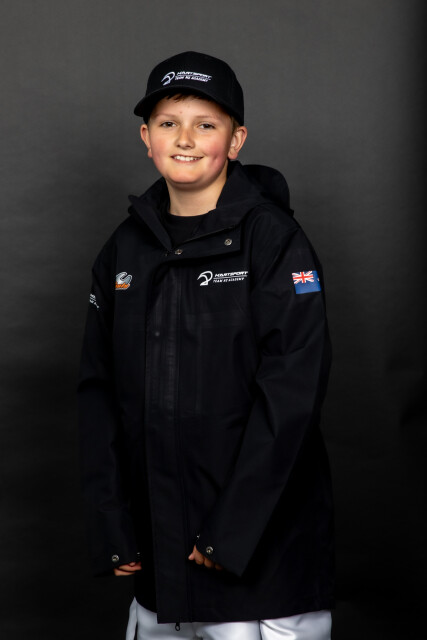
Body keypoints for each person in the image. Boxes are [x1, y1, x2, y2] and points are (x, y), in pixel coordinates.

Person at [78, 51, 335, 640]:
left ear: (236, 139)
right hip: (161, 567)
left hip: (262, 568)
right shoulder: (123, 251)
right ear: (146, 138)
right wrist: (110, 523)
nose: (186, 139)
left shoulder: (274, 241)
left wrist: (230, 533)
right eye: (169, 123)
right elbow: (99, 394)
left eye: (207, 124)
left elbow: (292, 399)